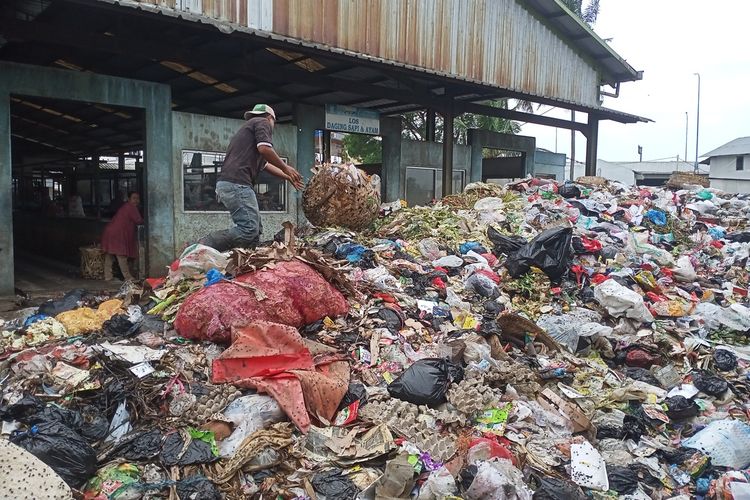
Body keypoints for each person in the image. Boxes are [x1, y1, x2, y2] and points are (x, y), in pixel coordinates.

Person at [200, 104, 303, 251]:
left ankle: (244, 264)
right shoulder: (263, 122)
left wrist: (287, 176)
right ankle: (204, 244)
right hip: (237, 183)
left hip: (230, 183)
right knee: (248, 229)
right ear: (270, 118)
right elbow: (265, 148)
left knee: (254, 232)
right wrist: (286, 167)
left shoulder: (247, 134)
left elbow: (265, 165)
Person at [101, 191, 143, 281]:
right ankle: (128, 278)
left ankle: (108, 276)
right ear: (129, 199)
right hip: (118, 234)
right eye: (134, 198)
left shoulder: (126, 206)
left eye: (138, 198)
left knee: (110, 255)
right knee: (121, 256)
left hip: (110, 231)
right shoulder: (131, 207)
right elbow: (139, 220)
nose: (136, 201)